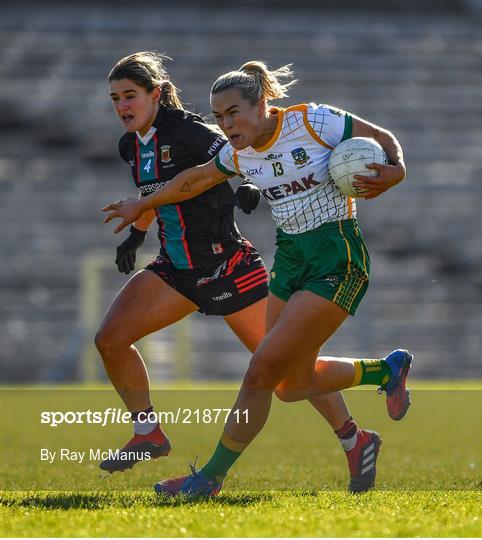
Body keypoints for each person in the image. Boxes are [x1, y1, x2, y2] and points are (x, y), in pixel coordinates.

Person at [102, 58, 413, 495]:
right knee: (289, 385)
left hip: (334, 256)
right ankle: (385, 371)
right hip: (288, 262)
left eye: (233, 113)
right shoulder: (237, 152)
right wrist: (140, 209)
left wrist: (396, 168)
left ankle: (208, 478)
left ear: (263, 104)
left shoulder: (313, 120)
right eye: (219, 116)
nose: (226, 123)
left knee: (261, 369)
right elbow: (194, 180)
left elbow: (380, 138)